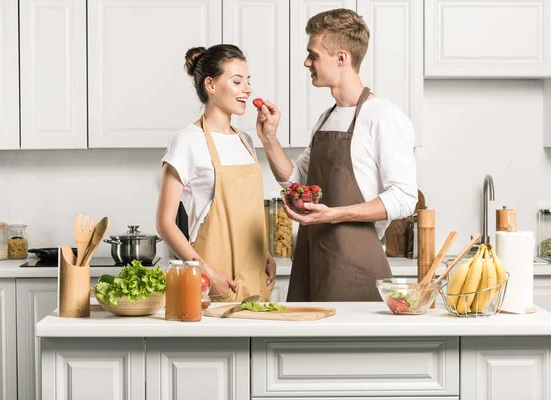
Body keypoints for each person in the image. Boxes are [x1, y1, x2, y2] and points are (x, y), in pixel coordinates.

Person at [256, 9, 418, 301]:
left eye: (313, 55)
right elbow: (296, 181)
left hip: (354, 266)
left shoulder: (383, 116)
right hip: (312, 259)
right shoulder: (326, 118)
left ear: (341, 58)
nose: (307, 62)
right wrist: (269, 138)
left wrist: (334, 215)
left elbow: (405, 197)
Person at [156, 44, 276, 302]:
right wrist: (205, 272)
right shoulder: (187, 141)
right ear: (210, 85)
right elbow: (165, 224)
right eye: (237, 81)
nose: (248, 89)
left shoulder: (246, 140)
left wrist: (264, 254)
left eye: (248, 81)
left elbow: (245, 212)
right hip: (212, 284)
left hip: (255, 280)